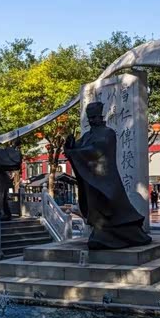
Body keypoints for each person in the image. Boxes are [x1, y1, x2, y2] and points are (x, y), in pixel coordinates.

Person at [64, 101, 151, 250]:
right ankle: (100, 234)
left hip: (106, 180)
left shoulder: (108, 133)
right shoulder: (87, 135)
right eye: (90, 118)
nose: (92, 121)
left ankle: (117, 235)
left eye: (94, 118)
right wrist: (70, 145)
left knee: (114, 209)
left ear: (101, 117)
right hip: (91, 181)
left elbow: (98, 150)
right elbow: (78, 147)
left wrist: (76, 152)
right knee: (96, 209)